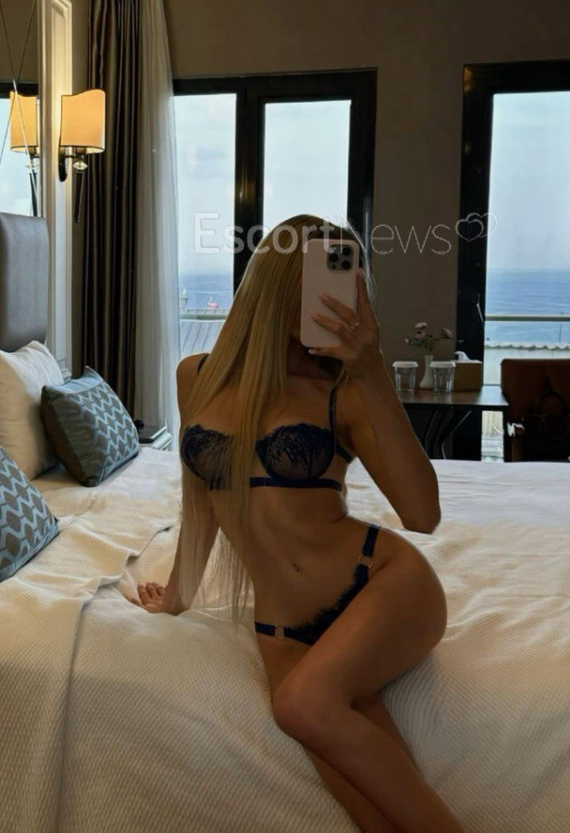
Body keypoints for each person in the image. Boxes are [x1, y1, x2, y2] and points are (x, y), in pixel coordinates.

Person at [130, 215, 464, 833]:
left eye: (347, 280)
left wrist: (372, 368)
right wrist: (177, 595)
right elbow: (201, 502)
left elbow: (423, 514)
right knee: (374, 805)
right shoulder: (196, 376)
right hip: (282, 626)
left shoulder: (343, 391)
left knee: (300, 705)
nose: (333, 297)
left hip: (382, 586)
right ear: (277, 286)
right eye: (316, 281)